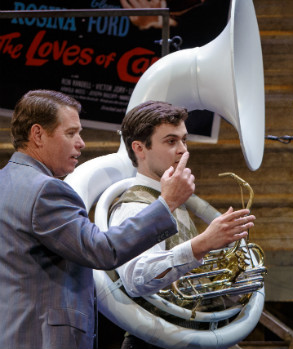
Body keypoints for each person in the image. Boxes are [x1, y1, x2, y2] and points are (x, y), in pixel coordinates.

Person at [0, 90, 195, 349]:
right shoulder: (46, 190)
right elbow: (103, 250)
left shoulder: (5, 181)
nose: (81, 143)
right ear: (37, 134)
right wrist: (166, 203)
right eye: (71, 133)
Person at [109, 101, 255, 349]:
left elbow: (190, 284)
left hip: (185, 337)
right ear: (139, 148)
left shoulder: (177, 202)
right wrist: (203, 244)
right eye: (170, 141)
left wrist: (236, 276)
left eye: (184, 140)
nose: (183, 151)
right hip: (152, 341)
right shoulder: (134, 205)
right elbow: (136, 278)